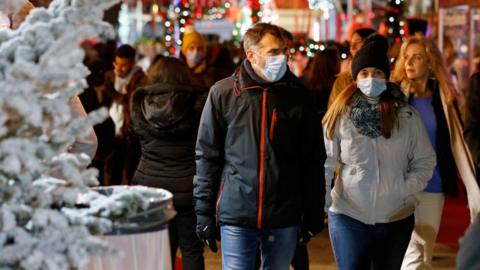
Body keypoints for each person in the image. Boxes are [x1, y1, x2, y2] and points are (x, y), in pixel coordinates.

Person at [194, 23, 325, 270]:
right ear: (251, 55)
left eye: (283, 51)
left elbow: (312, 158)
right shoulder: (224, 93)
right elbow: (207, 156)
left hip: (284, 214)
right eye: (273, 52)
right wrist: (203, 212)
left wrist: (314, 211)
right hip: (237, 213)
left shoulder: (298, 94)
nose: (282, 57)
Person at [322, 34, 436, 270]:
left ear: (386, 76)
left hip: (395, 217)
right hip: (348, 214)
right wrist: (323, 200)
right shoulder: (340, 116)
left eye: (377, 72)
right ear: (355, 78)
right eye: (364, 73)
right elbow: (326, 162)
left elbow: (425, 160)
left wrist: (404, 188)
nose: (371, 78)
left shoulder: (406, 116)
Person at [390, 35, 479, 270]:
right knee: (411, 251)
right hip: (402, 186)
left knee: (424, 254)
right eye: (406, 57)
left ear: (430, 63)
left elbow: (456, 141)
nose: (409, 62)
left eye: (417, 57)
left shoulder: (444, 99)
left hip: (433, 185)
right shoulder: (395, 97)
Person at [130, 57, 207, 270]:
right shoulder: (198, 104)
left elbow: (134, 142)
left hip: (151, 188)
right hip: (189, 188)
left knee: (160, 250)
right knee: (192, 249)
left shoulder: (139, 104)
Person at [104, 44, 147, 185]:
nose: (119, 69)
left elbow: (132, 102)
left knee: (129, 171)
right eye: (117, 64)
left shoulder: (140, 78)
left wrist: (114, 93)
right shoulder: (110, 76)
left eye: (124, 65)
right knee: (110, 170)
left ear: (133, 63)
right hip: (111, 130)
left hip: (129, 131)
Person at [328, 28, 376, 107]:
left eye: (357, 43)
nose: (352, 48)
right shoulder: (343, 81)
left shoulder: (389, 78)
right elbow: (334, 114)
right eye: (351, 44)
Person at [307, 48, 341, 114]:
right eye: (338, 60)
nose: (340, 63)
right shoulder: (334, 86)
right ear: (330, 64)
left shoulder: (310, 84)